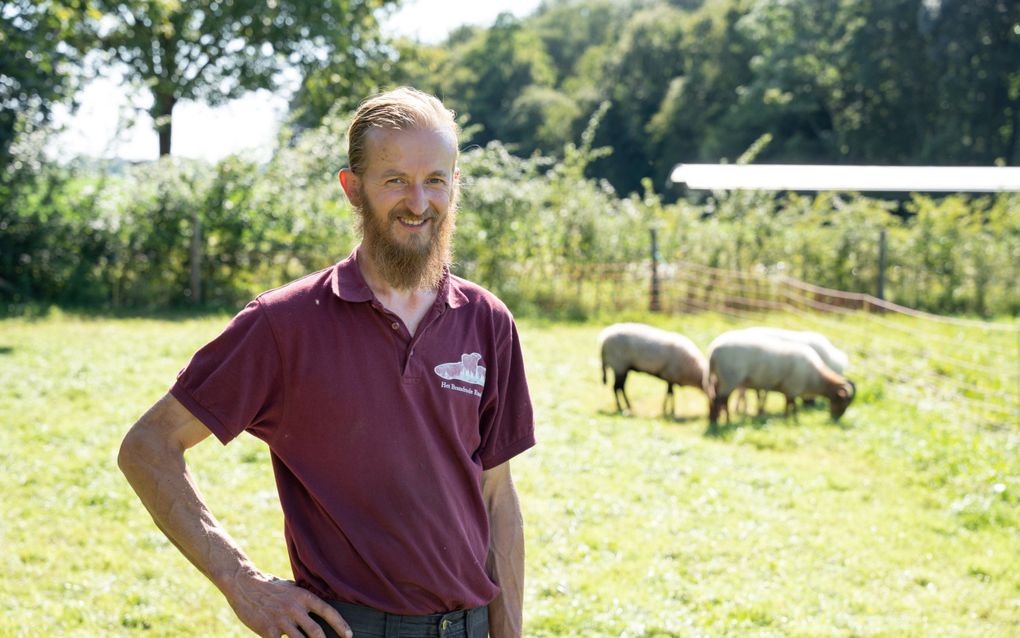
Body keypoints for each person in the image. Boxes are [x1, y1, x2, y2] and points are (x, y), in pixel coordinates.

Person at [118, 86, 536, 638]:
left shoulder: (487, 321)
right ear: (352, 188)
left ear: (454, 185)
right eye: (395, 180)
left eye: (435, 179)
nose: (418, 201)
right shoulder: (284, 325)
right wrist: (240, 580)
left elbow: (497, 496)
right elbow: (148, 447)